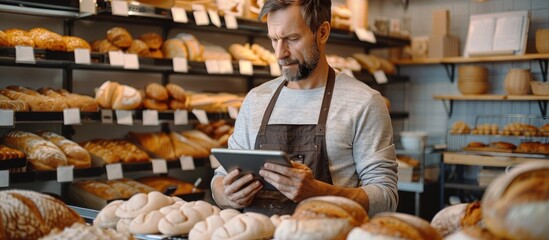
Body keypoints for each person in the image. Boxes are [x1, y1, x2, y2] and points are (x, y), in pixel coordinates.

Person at [211, 0, 398, 216]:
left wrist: (318, 193)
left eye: (292, 39)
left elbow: (386, 197)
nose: (280, 54)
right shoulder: (256, 100)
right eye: (274, 39)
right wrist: (228, 194)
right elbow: (219, 179)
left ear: (323, 32)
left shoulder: (364, 102)